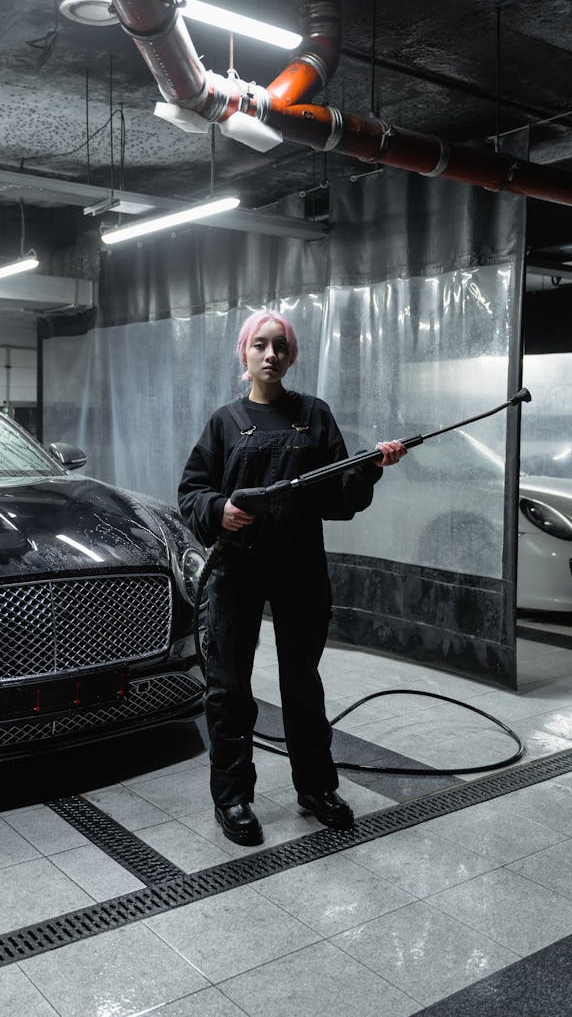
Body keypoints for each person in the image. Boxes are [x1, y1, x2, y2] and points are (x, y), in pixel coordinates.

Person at [178, 309, 407, 846]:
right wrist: (219, 510)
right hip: (236, 568)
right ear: (245, 354)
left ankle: (316, 787)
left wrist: (371, 465)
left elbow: (340, 498)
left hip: (301, 565)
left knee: (302, 683)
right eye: (260, 345)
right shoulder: (224, 423)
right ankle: (233, 797)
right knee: (229, 687)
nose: (271, 354)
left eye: (280, 346)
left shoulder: (315, 416)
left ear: (291, 355)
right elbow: (190, 492)